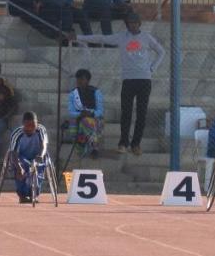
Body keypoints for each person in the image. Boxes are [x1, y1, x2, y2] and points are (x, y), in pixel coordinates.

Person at [69, 13, 165, 155]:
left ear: (139, 23)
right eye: (129, 23)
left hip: (144, 79)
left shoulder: (146, 37)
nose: (132, 25)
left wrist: (152, 68)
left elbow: (161, 52)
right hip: (128, 79)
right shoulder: (122, 37)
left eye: (134, 23)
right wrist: (78, 37)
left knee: (141, 113)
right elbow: (102, 38)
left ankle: (136, 144)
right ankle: (123, 143)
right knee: (126, 112)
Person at [7, 112, 50, 203]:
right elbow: (13, 153)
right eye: (27, 126)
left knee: (39, 167)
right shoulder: (17, 133)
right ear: (23, 124)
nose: (30, 128)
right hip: (21, 157)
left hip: (37, 155)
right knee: (22, 168)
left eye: (33, 126)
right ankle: (22, 195)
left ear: (37, 124)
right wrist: (19, 168)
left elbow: (44, 146)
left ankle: (34, 194)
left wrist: (41, 155)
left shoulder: (41, 130)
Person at [66, 69, 105, 159]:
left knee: (87, 121)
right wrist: (80, 114)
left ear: (87, 80)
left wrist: (91, 113)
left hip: (95, 120)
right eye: (78, 79)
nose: (79, 81)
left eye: (82, 79)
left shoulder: (96, 92)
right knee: (80, 122)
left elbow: (100, 111)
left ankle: (94, 147)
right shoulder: (73, 94)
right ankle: (82, 149)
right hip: (78, 119)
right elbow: (71, 111)